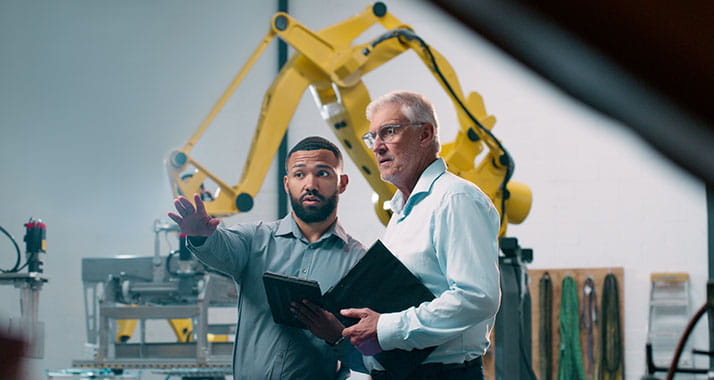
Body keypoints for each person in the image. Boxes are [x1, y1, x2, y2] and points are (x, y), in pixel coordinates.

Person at [168, 136, 365, 380]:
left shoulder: (360, 263)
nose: (310, 185)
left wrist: (337, 336)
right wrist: (201, 237)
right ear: (286, 183)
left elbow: (374, 358)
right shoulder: (254, 240)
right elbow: (221, 247)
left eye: (323, 173)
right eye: (299, 174)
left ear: (342, 183)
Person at [340, 90, 501, 380]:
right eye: (372, 136)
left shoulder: (454, 199)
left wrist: (386, 328)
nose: (377, 146)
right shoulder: (402, 212)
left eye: (388, 132)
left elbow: (477, 297)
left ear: (425, 134)